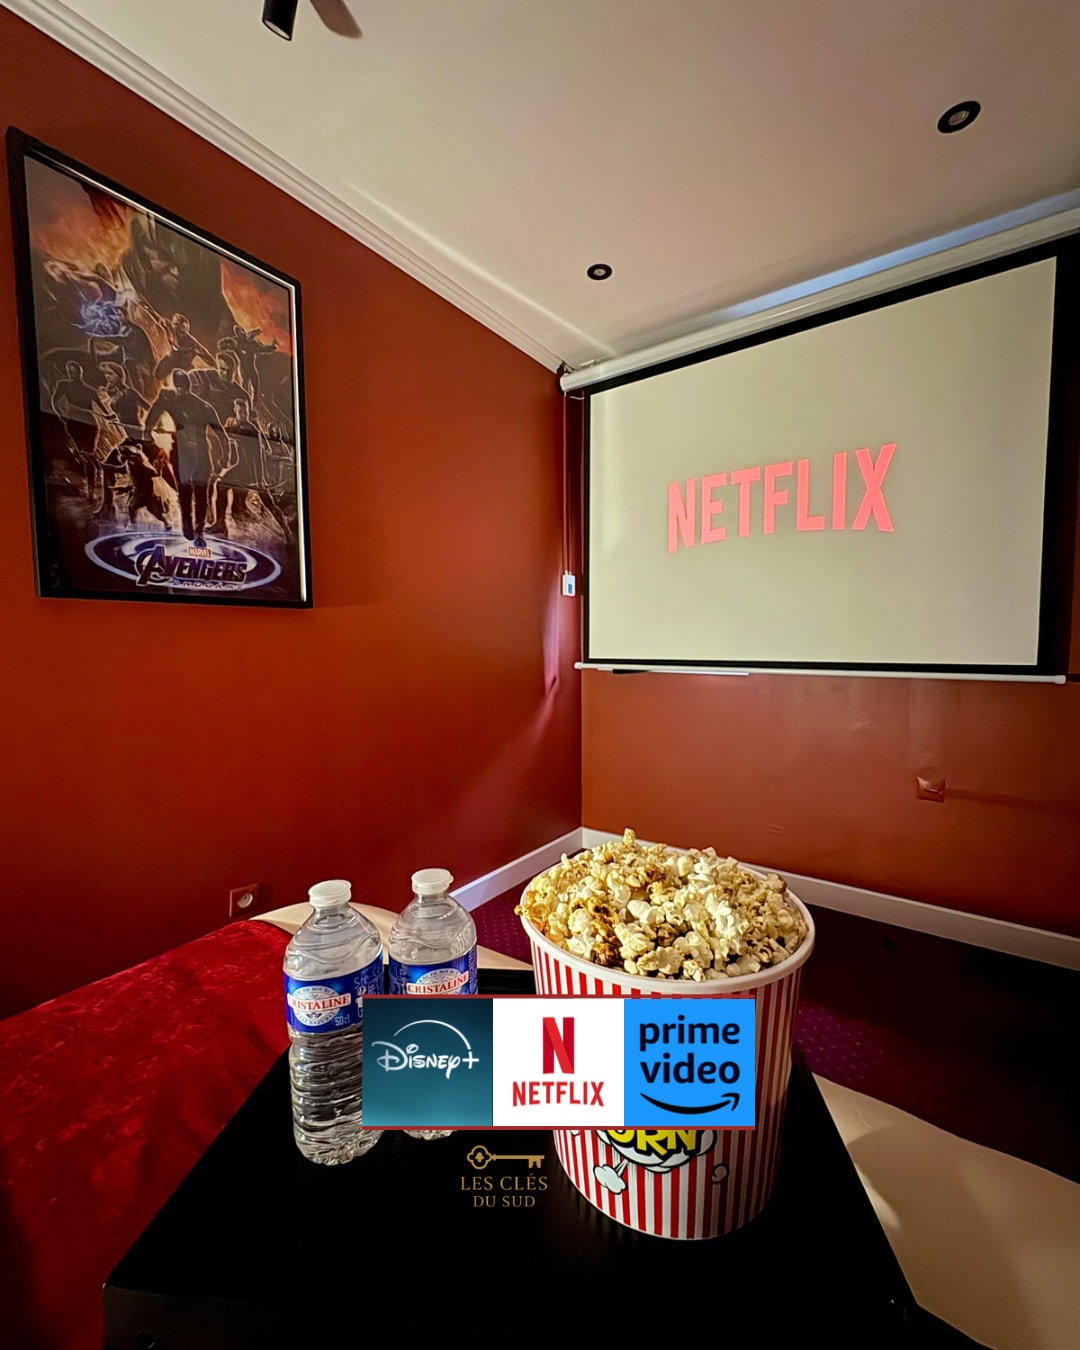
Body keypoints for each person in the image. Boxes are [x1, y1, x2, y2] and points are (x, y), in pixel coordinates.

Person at [144, 370, 227, 548]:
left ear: (188, 386)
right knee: (184, 492)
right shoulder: (169, 399)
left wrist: (226, 456)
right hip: (181, 453)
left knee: (201, 494)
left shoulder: (203, 407)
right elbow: (154, 414)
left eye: (183, 387)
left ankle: (199, 531)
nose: (181, 391)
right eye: (178, 387)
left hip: (200, 454)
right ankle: (187, 524)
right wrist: (147, 432)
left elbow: (221, 433)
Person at [50, 360, 110, 500]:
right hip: (74, 426)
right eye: (70, 372)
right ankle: (87, 485)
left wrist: (108, 415)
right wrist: (60, 414)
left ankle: (92, 490)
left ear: (80, 372)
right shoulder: (63, 385)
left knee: (88, 456)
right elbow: (54, 401)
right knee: (81, 457)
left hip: (89, 425)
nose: (72, 375)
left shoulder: (89, 390)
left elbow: (100, 405)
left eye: (75, 372)